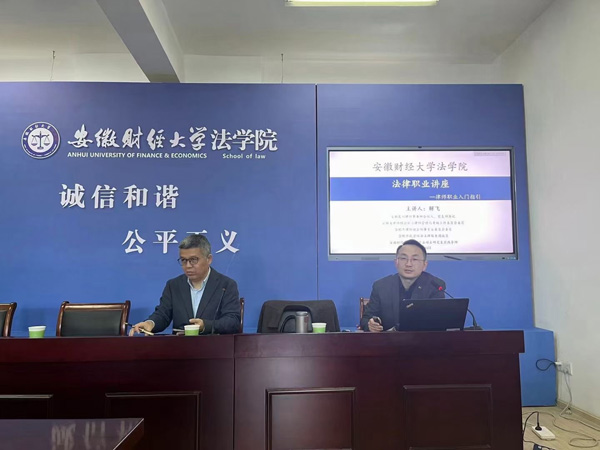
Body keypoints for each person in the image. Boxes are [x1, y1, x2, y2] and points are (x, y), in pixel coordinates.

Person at [130, 234, 240, 335]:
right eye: (183, 260)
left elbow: (233, 321)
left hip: (214, 347)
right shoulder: (174, 285)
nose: (188, 266)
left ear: (209, 259)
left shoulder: (226, 285)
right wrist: (150, 323)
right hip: (180, 347)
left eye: (193, 260)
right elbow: (163, 314)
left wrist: (205, 326)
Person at [360, 239, 445, 332]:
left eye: (415, 259)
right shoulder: (381, 286)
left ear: (424, 265)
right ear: (396, 262)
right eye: (403, 258)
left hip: (422, 340)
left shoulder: (435, 286)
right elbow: (365, 319)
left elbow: (439, 323)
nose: (408, 264)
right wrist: (370, 325)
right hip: (388, 340)